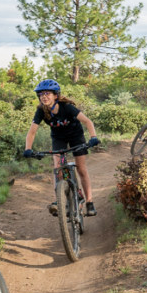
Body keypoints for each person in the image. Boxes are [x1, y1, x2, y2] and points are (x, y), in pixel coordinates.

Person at [23, 79, 100, 216]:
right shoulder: (41, 111)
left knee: (81, 169)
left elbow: (87, 121)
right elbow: (32, 132)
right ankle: (59, 201)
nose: (44, 97)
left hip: (76, 136)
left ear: (55, 95)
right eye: (41, 94)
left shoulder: (67, 107)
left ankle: (89, 202)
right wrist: (28, 149)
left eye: (47, 93)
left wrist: (93, 137)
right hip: (58, 138)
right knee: (58, 168)